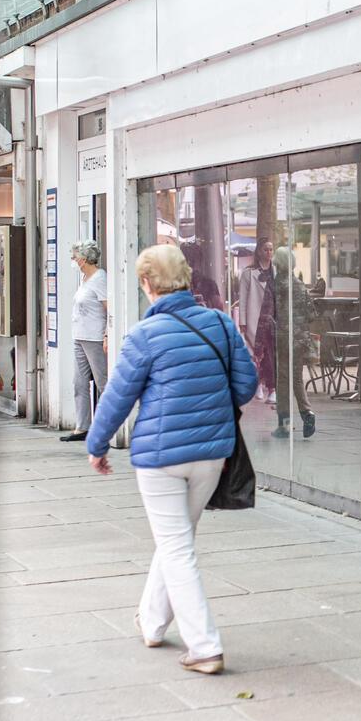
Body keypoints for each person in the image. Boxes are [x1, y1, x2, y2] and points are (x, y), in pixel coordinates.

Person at [85, 244, 257, 676]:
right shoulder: (219, 323)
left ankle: (204, 647)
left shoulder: (144, 336)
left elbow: (117, 396)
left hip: (161, 457)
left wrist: (97, 444)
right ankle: (153, 621)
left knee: (177, 546)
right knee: (177, 539)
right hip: (213, 454)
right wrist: (212, 409)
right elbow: (246, 384)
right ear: (185, 279)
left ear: (147, 283)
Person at [60, 240, 110, 442]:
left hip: (94, 337)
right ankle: (82, 427)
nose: (73, 260)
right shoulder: (84, 279)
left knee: (102, 381)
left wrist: (107, 334)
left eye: (74, 257)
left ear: (83, 259)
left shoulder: (100, 278)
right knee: (79, 382)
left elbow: (109, 308)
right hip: (79, 336)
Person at [268, 247, 316, 438]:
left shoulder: (277, 284)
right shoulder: (299, 284)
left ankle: (284, 424)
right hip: (300, 338)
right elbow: (311, 314)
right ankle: (307, 413)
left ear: (277, 262)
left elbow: (269, 311)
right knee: (296, 378)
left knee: (282, 381)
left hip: (282, 337)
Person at [235, 241, 274, 400]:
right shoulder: (248, 273)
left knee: (271, 353)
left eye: (271, 249)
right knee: (256, 353)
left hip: (272, 318)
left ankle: (271, 387)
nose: (269, 252)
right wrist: (242, 321)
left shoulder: (276, 271)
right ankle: (258, 384)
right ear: (259, 251)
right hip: (255, 317)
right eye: (265, 249)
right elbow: (242, 298)